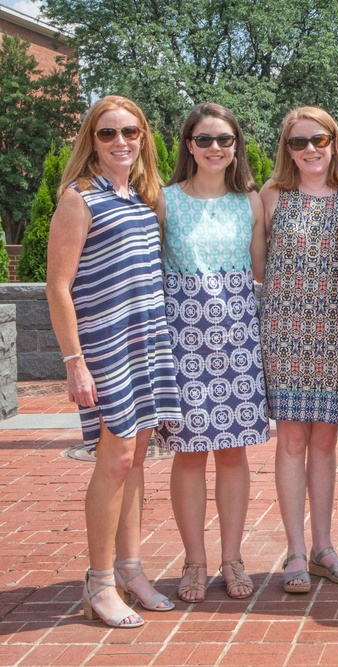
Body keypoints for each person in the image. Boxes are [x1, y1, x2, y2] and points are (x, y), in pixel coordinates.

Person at [46, 95, 182, 628]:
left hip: (148, 342)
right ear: (92, 141)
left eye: (129, 131)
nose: (120, 141)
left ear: (143, 136)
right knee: (116, 458)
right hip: (104, 347)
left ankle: (130, 568)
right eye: (108, 134)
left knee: (136, 458)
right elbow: (58, 289)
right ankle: (98, 580)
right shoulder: (78, 199)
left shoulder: (143, 199)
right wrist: (73, 361)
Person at [153, 103, 270, 603]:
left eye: (225, 139)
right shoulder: (165, 201)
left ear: (236, 145)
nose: (216, 148)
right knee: (188, 455)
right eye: (205, 140)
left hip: (239, 341)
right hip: (182, 343)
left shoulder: (250, 203)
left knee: (232, 454)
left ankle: (232, 558)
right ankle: (195, 561)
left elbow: (260, 276)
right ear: (188, 146)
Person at [253, 107, 338, 594]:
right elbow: (258, 267)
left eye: (319, 139)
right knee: (291, 441)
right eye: (298, 142)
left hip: (335, 331)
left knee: (325, 443)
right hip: (285, 334)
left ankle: (324, 547)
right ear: (287, 149)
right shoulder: (272, 196)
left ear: (334, 141)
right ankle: (295, 552)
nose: (310, 149)